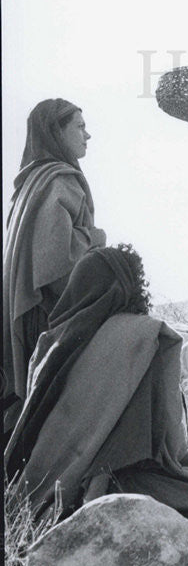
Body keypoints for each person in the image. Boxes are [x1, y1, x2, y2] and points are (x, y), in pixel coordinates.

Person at [5, 245, 188, 536]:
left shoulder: (48, 345)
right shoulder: (148, 335)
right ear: (131, 287)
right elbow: (171, 443)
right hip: (126, 488)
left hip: (35, 497)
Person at [3, 99, 106, 431]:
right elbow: (57, 265)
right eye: (79, 126)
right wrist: (94, 238)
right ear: (56, 133)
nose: (87, 135)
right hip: (50, 318)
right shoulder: (60, 182)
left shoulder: (30, 185)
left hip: (31, 315)